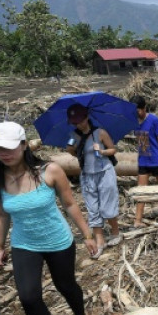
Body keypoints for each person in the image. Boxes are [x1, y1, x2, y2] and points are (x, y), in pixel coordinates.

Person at [0, 121, 96, 315]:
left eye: (10, 147)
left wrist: (87, 234)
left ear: (24, 145)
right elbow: (1, 214)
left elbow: (70, 204)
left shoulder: (50, 170)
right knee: (28, 295)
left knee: (65, 284)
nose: (4, 153)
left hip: (58, 240)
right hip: (25, 243)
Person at [64, 103, 121, 252]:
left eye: (80, 121)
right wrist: (71, 150)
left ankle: (115, 232)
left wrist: (102, 151)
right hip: (87, 174)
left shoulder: (100, 133)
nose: (79, 124)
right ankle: (99, 239)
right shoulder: (74, 136)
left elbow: (113, 149)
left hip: (104, 172)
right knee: (92, 207)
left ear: (87, 117)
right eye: (75, 122)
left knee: (107, 204)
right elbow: (75, 152)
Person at [130, 95, 158, 226]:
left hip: (156, 161)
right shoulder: (133, 121)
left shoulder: (153, 120)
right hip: (143, 161)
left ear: (144, 108)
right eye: (135, 111)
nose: (137, 113)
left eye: (139, 110)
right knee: (141, 192)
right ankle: (137, 221)